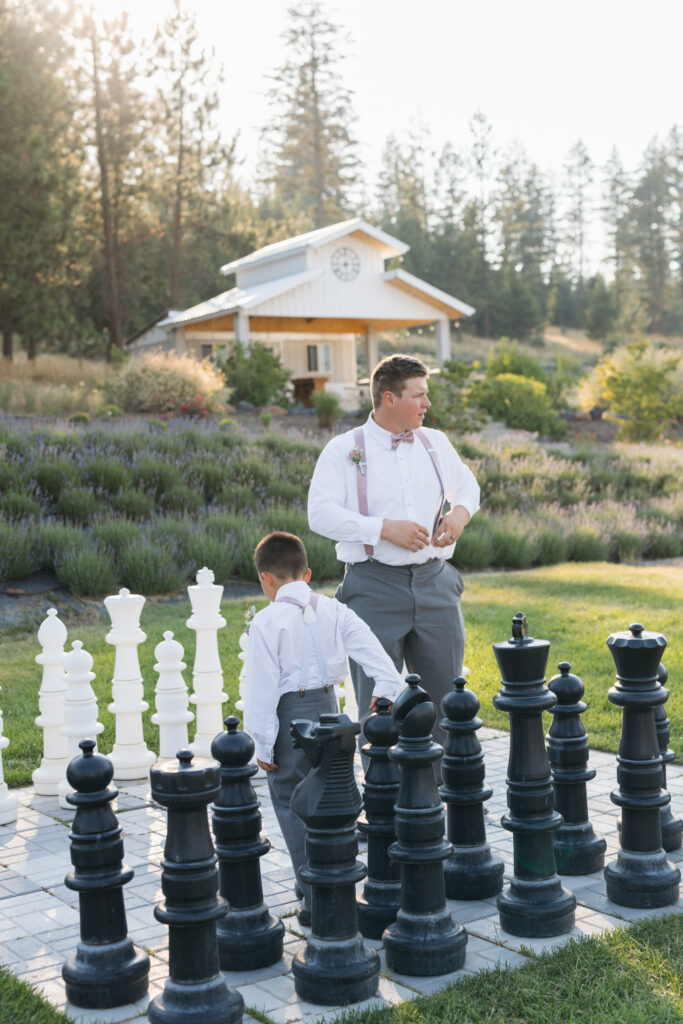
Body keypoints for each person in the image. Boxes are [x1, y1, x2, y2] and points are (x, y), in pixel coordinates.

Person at [307, 353, 480, 756]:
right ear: (389, 398)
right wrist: (384, 529)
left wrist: (458, 514)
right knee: (378, 703)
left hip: (436, 584)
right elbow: (320, 514)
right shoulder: (344, 449)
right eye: (419, 394)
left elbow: (469, 488)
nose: (427, 403)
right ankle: (385, 803)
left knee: (444, 701)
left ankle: (440, 800)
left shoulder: (435, 443)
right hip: (373, 586)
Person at [242, 530, 403, 926]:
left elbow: (260, 689)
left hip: (289, 717)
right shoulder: (335, 610)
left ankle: (316, 897)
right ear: (308, 573)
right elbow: (372, 650)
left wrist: (261, 745)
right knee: (331, 799)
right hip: (333, 715)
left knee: (293, 801)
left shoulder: (266, 622)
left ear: (265, 578)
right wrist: (386, 689)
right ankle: (334, 881)